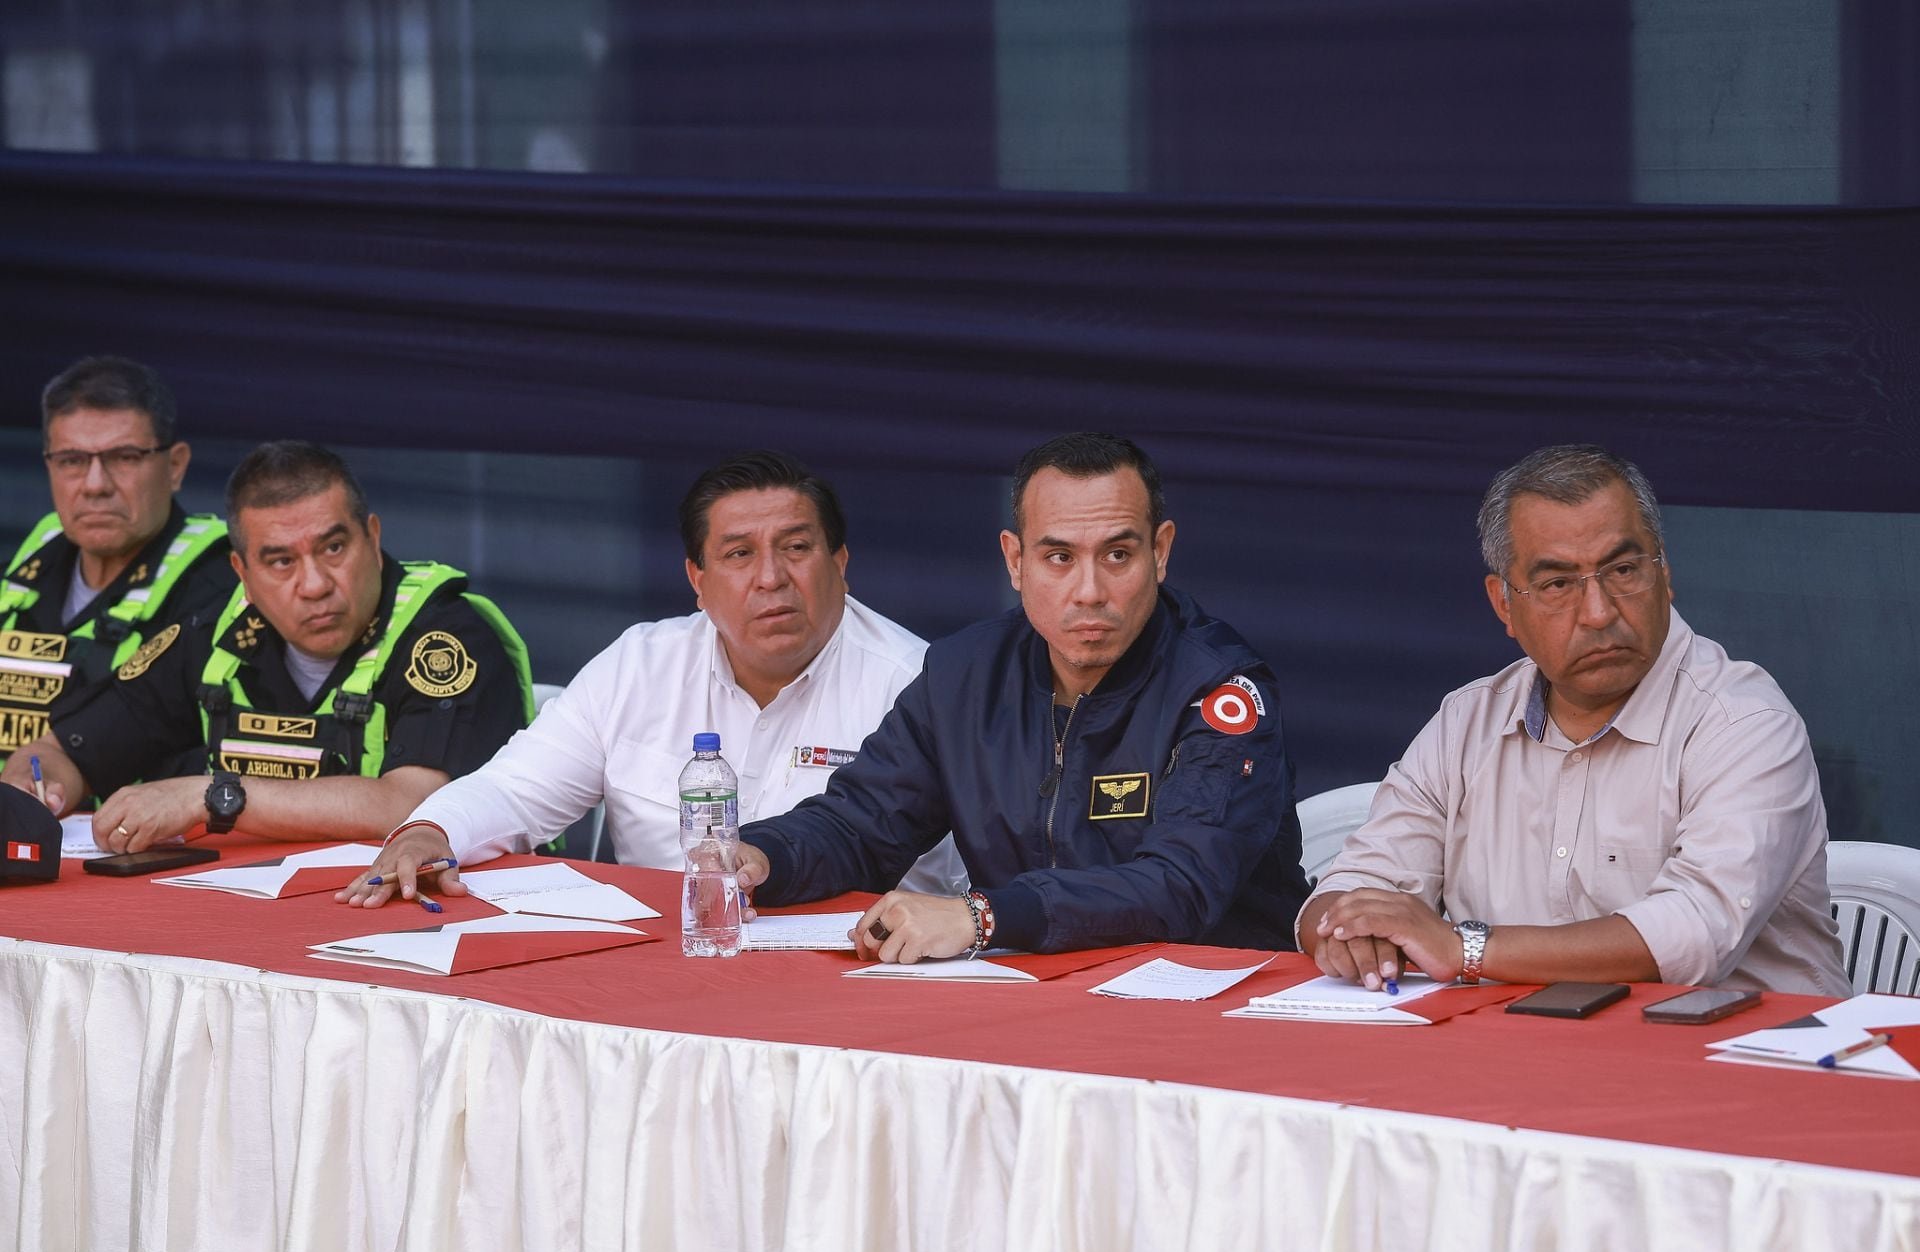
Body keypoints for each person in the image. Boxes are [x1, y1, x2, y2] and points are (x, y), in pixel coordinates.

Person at [726, 432, 1309, 963]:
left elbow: (1180, 885)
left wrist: (983, 916)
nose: (1089, 591)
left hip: (1210, 999)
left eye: (1117, 555)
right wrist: (765, 856)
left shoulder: (1221, 690)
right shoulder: (964, 673)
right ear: (1014, 559)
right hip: (1030, 988)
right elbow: (861, 826)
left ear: (1160, 551)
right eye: (1059, 557)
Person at [1300, 444, 1849, 997]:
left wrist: (1463, 948)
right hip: (1519, 1056)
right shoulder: (1466, 723)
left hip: (1743, 1062)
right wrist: (1349, 930)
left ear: (1665, 572)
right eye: (1558, 584)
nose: (1599, 612)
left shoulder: (1743, 720)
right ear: (1504, 605)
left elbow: (1696, 932)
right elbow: (1354, 885)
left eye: (1624, 569)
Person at [339, 450, 961, 907]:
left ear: (841, 563)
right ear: (696, 579)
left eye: (796, 548)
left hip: (847, 972)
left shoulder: (915, 681)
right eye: (739, 554)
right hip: (660, 960)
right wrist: (428, 831)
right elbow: (511, 792)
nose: (771, 577)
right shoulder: (641, 663)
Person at [0, 441, 534, 852]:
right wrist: (35, 788)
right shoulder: (213, 633)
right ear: (243, 574)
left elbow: (412, 804)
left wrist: (209, 796)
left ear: (372, 539)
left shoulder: (444, 636)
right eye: (281, 562)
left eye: (333, 547)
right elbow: (65, 749)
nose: (315, 584)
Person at [0, 357, 233, 762]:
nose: (95, 486)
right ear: (49, 466)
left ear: (175, 467)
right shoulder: (36, 555)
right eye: (72, 460)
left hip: (123, 824)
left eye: (124, 457)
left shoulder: (220, 584)